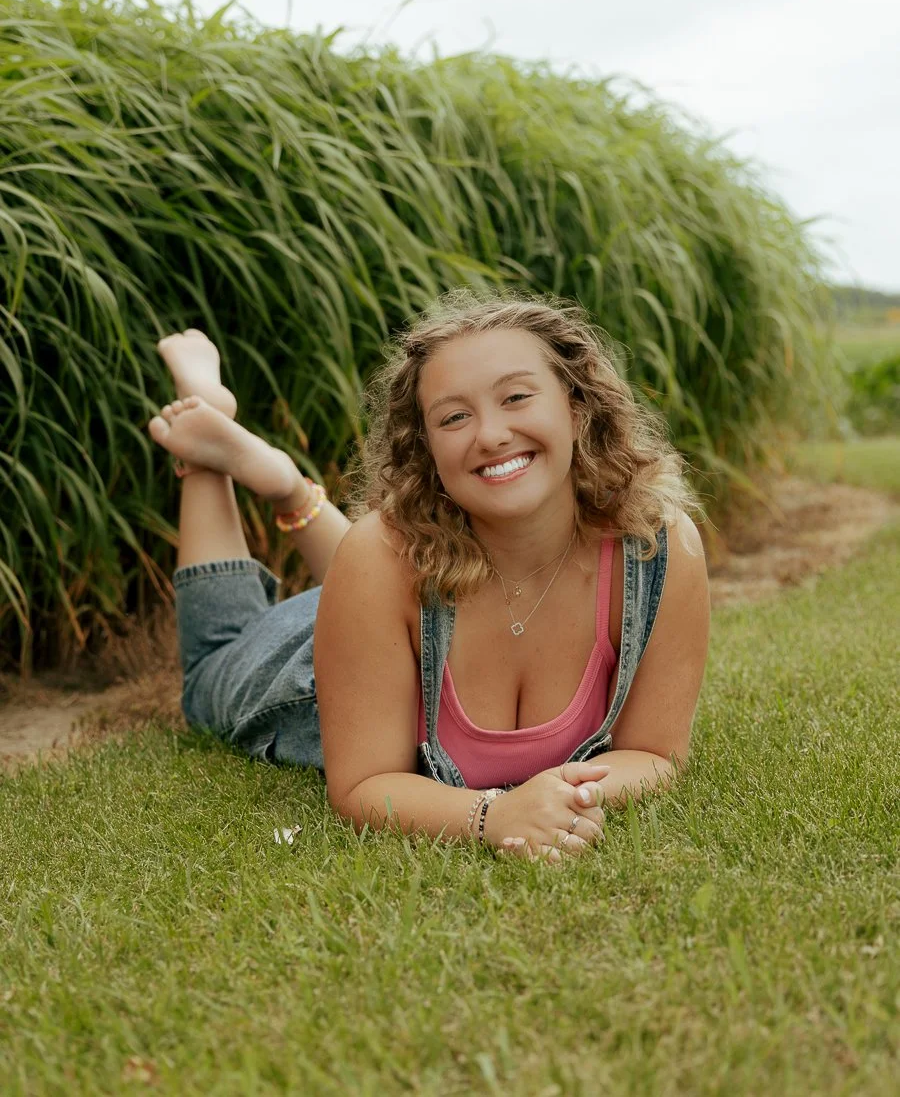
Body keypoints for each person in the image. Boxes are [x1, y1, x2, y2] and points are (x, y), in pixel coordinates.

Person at [148, 293, 709, 862]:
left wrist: (557, 799)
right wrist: (494, 816)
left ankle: (288, 487)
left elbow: (656, 756)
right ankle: (207, 440)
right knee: (211, 662)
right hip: (312, 667)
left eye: (516, 396)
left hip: (395, 604)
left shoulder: (656, 550)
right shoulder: (375, 555)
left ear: (577, 406)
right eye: (454, 417)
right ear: (428, 448)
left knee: (381, 561)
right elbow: (363, 784)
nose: (490, 435)